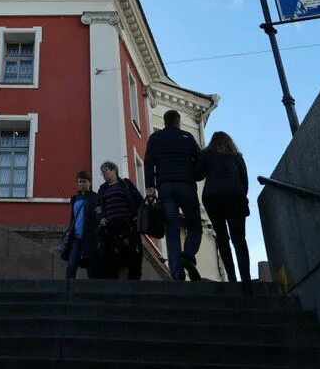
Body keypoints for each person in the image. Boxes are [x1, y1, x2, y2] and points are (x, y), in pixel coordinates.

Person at [143, 109, 203, 281]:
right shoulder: (187, 137)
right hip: (186, 186)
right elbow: (199, 160)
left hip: (166, 187)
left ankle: (177, 274)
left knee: (172, 230)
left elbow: (149, 163)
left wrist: (150, 186)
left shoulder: (155, 138)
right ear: (178, 122)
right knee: (195, 226)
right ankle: (188, 254)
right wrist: (194, 173)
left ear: (164, 122)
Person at [198, 131, 251, 286]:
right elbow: (244, 181)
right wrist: (240, 194)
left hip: (213, 199)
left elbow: (198, 175)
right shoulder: (237, 157)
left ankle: (232, 278)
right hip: (235, 198)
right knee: (239, 240)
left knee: (222, 238)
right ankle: (246, 279)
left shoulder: (207, 155)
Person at [95, 161, 144, 280]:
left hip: (127, 224)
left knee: (133, 253)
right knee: (113, 256)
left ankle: (134, 281)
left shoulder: (125, 184)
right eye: (102, 173)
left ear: (114, 170)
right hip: (111, 226)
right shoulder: (102, 189)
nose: (104, 174)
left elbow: (138, 199)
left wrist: (137, 216)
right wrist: (101, 218)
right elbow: (98, 207)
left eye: (106, 171)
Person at [63, 170, 101, 279]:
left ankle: (92, 292)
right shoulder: (75, 199)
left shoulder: (95, 197)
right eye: (79, 182)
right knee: (71, 266)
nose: (82, 184)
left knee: (91, 267)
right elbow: (73, 218)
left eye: (84, 181)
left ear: (89, 183)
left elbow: (98, 216)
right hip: (76, 238)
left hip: (89, 238)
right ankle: (69, 292)